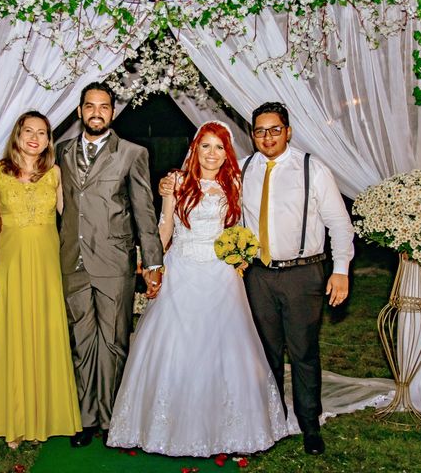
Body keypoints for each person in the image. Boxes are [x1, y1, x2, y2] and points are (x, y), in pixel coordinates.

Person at [107, 121, 288, 457]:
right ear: (196, 148)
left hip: (221, 276)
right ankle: (164, 425)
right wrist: (151, 264)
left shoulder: (234, 183)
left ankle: (227, 427)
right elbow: (164, 227)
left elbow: (240, 229)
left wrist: (241, 257)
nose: (212, 154)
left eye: (219, 148)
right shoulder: (176, 182)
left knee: (223, 347)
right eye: (206, 146)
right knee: (175, 344)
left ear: (227, 154)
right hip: (182, 270)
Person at [242, 102, 354, 455]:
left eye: (275, 129)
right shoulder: (244, 168)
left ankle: (309, 425)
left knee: (304, 351)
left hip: (303, 274)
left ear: (288, 131)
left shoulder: (312, 168)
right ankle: (273, 420)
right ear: (252, 135)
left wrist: (340, 271)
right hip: (258, 275)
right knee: (266, 352)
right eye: (260, 130)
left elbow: (339, 224)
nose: (267, 137)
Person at [56, 82, 164, 448]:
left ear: (113, 112)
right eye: (90, 106)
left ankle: (116, 416)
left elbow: (144, 212)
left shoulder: (132, 153)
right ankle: (86, 419)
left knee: (115, 341)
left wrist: (152, 262)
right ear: (80, 111)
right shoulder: (62, 151)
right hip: (73, 261)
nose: (96, 112)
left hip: (115, 261)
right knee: (81, 340)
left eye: (104, 106)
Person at [0, 111, 81, 449]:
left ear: (49, 140)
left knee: (46, 333)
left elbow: (73, 216)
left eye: (43, 133)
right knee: (14, 334)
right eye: (29, 131)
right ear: (17, 135)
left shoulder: (54, 174)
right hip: (11, 263)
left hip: (48, 265)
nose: (35, 138)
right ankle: (16, 420)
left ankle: (48, 416)